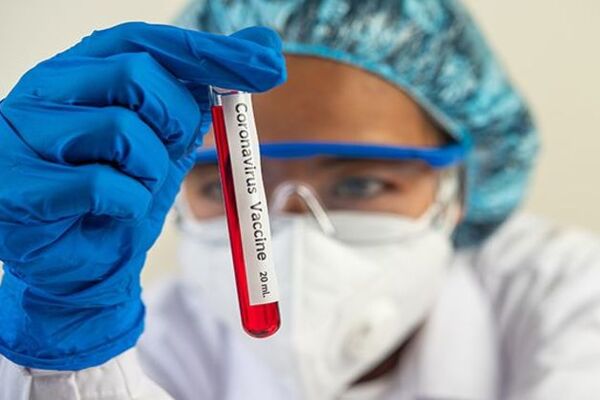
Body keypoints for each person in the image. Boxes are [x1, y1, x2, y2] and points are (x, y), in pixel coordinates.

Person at [1, 0, 600, 399]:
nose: (286, 230)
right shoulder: (147, 336)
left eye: (359, 184)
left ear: (458, 190)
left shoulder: (565, 296)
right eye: (230, 185)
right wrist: (68, 362)